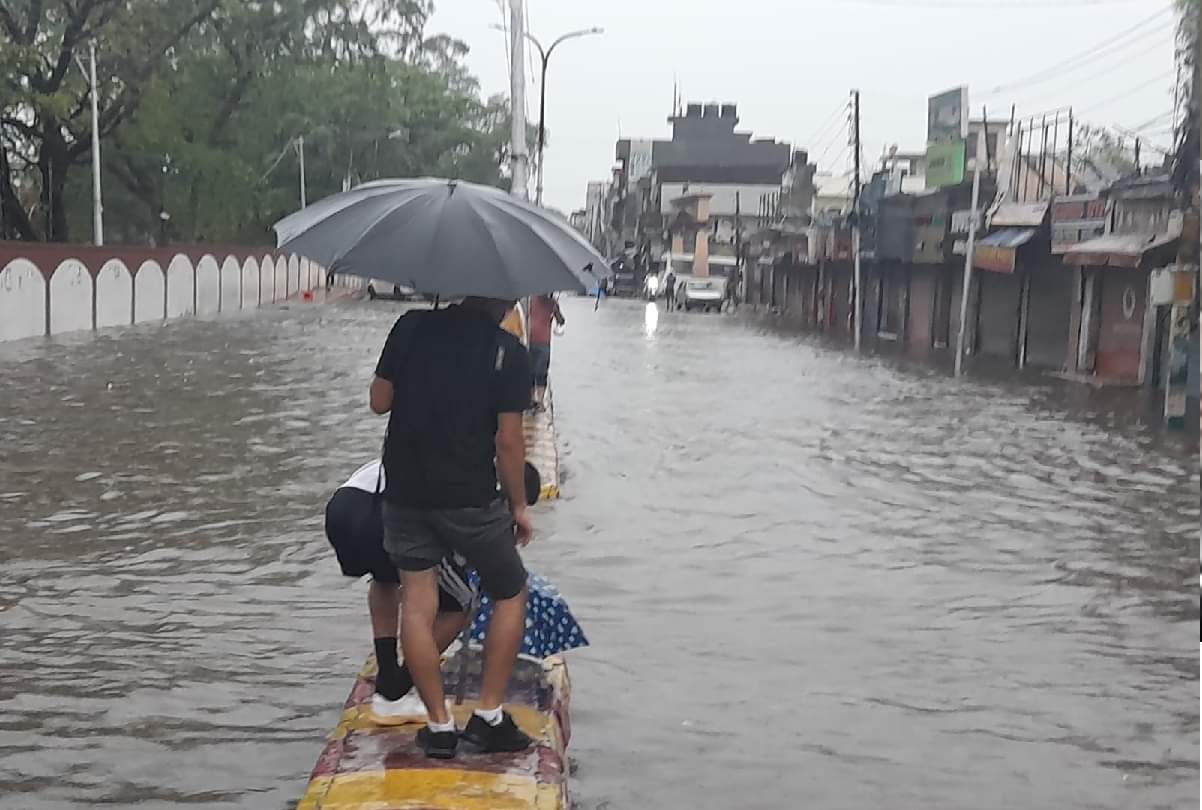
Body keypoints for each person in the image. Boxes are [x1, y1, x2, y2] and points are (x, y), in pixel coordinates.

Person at [370, 297, 533, 760]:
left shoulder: (409, 326)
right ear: (501, 299)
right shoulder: (508, 353)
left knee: (417, 606)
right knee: (510, 591)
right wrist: (518, 505)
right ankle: (488, 717)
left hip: (404, 492)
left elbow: (379, 402)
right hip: (470, 499)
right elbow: (508, 440)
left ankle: (439, 727)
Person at [324, 460, 474, 724]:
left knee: (383, 577)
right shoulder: (473, 471)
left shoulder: (412, 446)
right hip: (388, 515)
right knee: (462, 603)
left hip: (342, 510)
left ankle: (388, 670)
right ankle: (396, 689)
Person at [527, 294, 564, 412]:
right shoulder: (530, 301)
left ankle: (540, 400)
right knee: (531, 372)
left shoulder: (552, 303)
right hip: (530, 340)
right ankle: (532, 399)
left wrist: (556, 311)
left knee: (541, 372)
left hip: (543, 342)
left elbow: (561, 321)